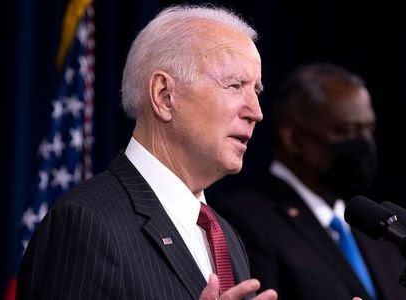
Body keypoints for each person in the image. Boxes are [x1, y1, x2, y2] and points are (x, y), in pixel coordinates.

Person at [16, 5, 277, 300]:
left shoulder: (225, 235)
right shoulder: (86, 223)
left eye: (256, 91)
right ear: (164, 96)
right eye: (234, 85)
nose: (256, 113)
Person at [211, 63, 406, 299]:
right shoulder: (243, 218)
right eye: (347, 130)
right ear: (293, 138)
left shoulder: (377, 225)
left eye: (368, 129)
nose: (363, 143)